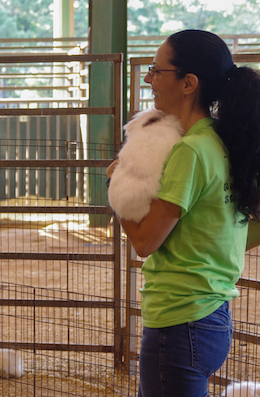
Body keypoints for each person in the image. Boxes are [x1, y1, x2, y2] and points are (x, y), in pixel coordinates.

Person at [107, 30, 260, 397]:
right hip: (214, 319)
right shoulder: (223, 141)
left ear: (188, 83)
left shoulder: (190, 152)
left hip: (178, 324)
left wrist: (116, 182)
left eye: (156, 71)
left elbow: (144, 242)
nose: (148, 79)